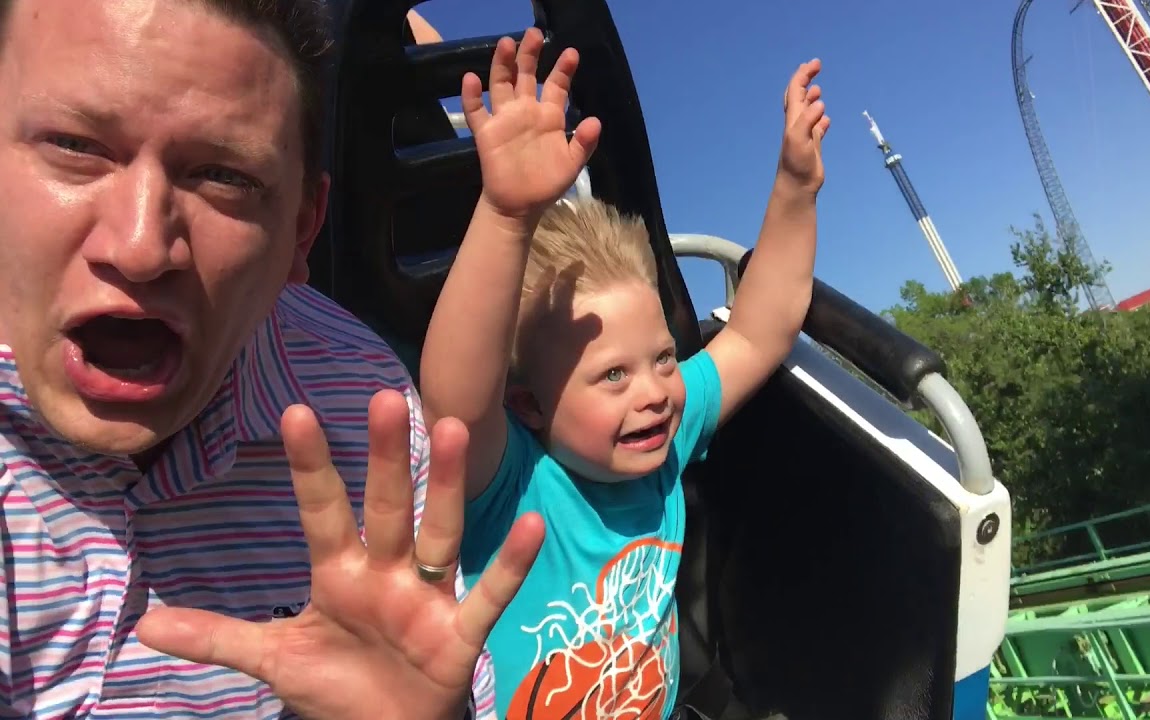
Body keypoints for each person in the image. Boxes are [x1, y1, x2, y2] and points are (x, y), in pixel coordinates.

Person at [0, 1, 543, 718]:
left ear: (300, 229)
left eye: (223, 177)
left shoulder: (362, 417)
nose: (138, 246)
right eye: (75, 145)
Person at [418, 27, 831, 719]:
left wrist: (794, 186)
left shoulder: (662, 440)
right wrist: (505, 214)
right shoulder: (512, 486)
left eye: (665, 358)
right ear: (529, 404)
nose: (654, 393)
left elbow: (761, 330)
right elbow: (456, 404)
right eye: (612, 375)